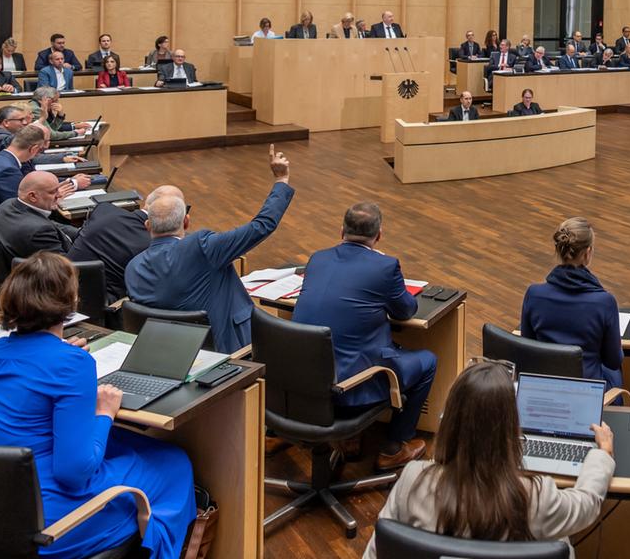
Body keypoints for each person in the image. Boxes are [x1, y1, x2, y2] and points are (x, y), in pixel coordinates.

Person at [0, 252, 195, 559]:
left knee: (129, 448)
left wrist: (62, 354)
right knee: (175, 463)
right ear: (70, 303)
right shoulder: (72, 365)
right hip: (50, 524)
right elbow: (74, 473)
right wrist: (104, 414)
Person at [364, 362, 613, 559]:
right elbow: (587, 504)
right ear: (511, 429)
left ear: (449, 421)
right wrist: (601, 455)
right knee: (563, 544)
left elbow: (379, 549)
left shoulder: (413, 479)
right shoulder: (536, 495)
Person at [290, 201, 436, 468]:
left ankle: (350, 438)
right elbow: (405, 311)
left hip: (303, 386)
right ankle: (394, 446)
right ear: (379, 236)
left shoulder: (317, 259)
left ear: (340, 231)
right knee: (427, 361)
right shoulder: (385, 267)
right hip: (349, 389)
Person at [126, 148, 295, 354]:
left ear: (147, 226)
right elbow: (262, 226)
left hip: (167, 355)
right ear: (186, 222)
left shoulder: (133, 268)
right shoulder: (203, 247)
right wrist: (281, 180)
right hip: (229, 354)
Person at [519, 217, 624, 388]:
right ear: (587, 253)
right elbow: (613, 361)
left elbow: (528, 348)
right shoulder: (605, 302)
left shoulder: (533, 294)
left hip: (545, 389)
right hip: (589, 394)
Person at [68, 187, 154, 304]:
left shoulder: (103, 209)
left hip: (64, 285)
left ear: (146, 203)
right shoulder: (152, 245)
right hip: (104, 303)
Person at [0, 124, 68, 226]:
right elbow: (22, 208)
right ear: (34, 149)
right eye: (40, 150)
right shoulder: (7, 170)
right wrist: (54, 196)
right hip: (3, 227)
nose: (38, 154)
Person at [0, 170, 81, 260]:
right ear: (32, 196)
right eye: (52, 192)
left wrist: (81, 233)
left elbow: (51, 224)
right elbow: (64, 268)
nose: (59, 195)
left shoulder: (7, 205)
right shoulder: (38, 231)